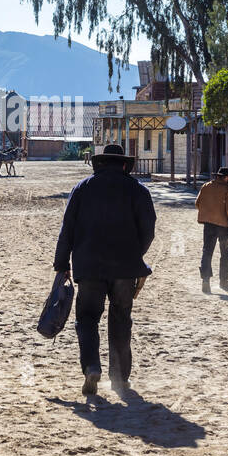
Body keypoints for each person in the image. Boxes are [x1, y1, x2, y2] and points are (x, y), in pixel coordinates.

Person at [53, 143, 156, 396]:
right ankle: (119, 378)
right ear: (124, 164)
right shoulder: (137, 190)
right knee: (121, 319)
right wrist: (135, 255)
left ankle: (91, 367)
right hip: (125, 268)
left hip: (89, 268)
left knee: (87, 318)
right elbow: (149, 229)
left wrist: (61, 264)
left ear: (99, 164)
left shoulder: (82, 189)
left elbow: (67, 228)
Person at [195, 166, 228, 293]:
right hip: (224, 226)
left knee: (207, 252)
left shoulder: (206, 186)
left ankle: (205, 280)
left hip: (208, 224)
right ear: (226, 177)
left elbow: (198, 203)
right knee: (225, 254)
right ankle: (223, 281)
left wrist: (210, 213)